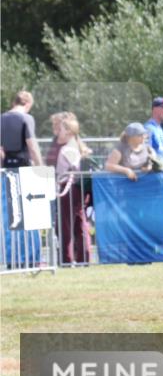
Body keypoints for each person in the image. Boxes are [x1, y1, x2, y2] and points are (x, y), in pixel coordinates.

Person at [53, 113, 92, 264]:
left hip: (69, 189)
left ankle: (66, 260)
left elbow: (75, 167)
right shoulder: (75, 146)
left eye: (60, 129)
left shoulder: (68, 149)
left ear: (68, 132)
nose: (57, 133)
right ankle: (83, 258)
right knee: (79, 225)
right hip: (76, 189)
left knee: (65, 226)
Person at [1, 91, 43, 168]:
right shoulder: (26, 118)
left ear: (14, 103)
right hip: (23, 165)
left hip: (6, 164)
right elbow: (32, 146)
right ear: (28, 104)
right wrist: (40, 166)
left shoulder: (1, 118)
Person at [144, 96, 163, 162]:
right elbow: (145, 155)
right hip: (151, 171)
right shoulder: (148, 129)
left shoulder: (159, 128)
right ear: (155, 109)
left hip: (159, 170)